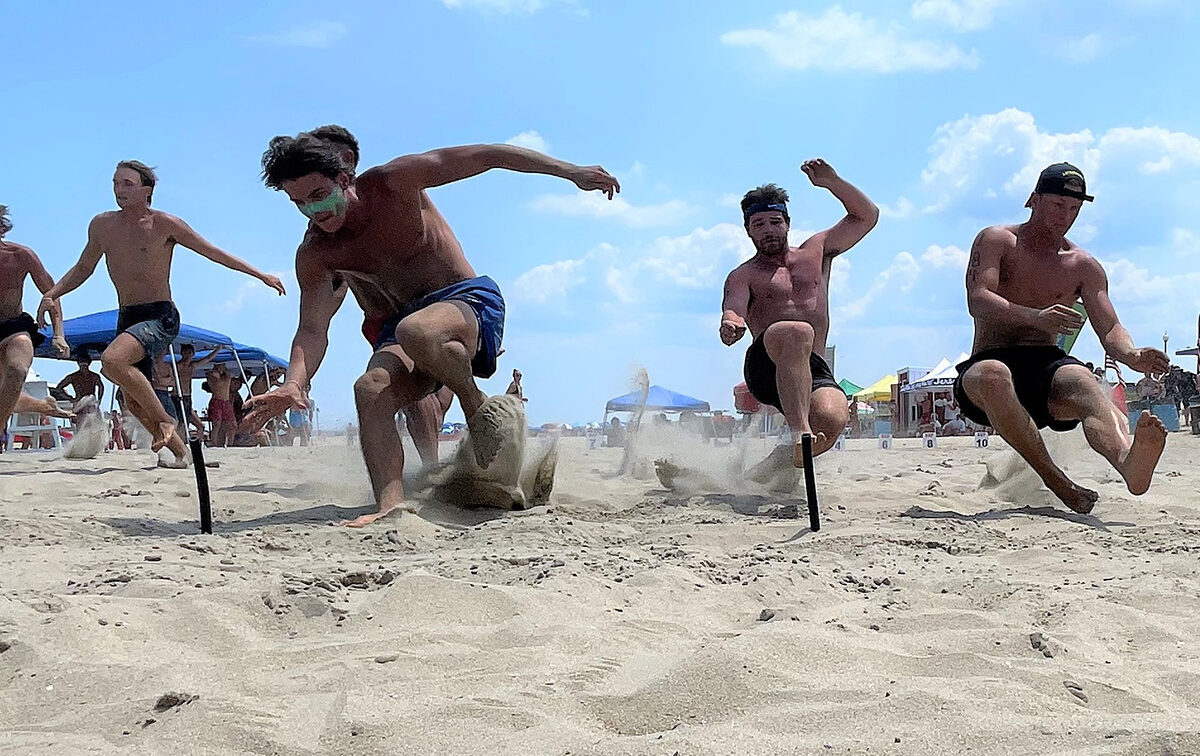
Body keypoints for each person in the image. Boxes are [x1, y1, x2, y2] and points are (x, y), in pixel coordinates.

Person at [246, 129, 619, 526]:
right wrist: (293, 383)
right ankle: (391, 505)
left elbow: (486, 155)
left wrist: (569, 171)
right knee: (370, 389)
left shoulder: (394, 182)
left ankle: (478, 411)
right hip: (402, 326)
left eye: (318, 194)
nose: (312, 209)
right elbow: (312, 328)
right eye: (298, 202)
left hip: (467, 302)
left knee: (417, 330)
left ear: (344, 178)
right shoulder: (316, 252)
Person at [953, 163, 1168, 514]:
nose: (1065, 216)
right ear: (1033, 200)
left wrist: (1132, 354)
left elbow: (1110, 327)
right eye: (1057, 205)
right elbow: (978, 299)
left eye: (1074, 209)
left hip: (1046, 366)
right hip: (989, 362)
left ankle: (1129, 461)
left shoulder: (1083, 265)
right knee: (993, 376)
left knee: (1085, 381)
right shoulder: (998, 240)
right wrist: (1036, 316)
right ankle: (1057, 481)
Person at [37, 161, 284, 466]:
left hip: (160, 316)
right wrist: (53, 293)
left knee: (113, 362)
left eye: (127, 184)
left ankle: (166, 419)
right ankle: (182, 455)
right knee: (132, 401)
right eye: (115, 183)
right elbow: (83, 268)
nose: (119, 190)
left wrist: (260, 275)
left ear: (146, 190)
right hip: (128, 316)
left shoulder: (165, 224)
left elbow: (213, 252)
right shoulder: (102, 225)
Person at [720, 160, 879, 467]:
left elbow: (866, 217)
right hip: (766, 365)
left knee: (832, 418)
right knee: (796, 331)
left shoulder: (815, 251)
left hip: (814, 366)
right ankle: (799, 432)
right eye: (759, 224)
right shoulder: (744, 275)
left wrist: (832, 182)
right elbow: (733, 308)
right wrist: (732, 323)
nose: (768, 230)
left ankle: (768, 472)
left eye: (774, 222)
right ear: (748, 231)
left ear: (787, 223)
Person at [0, 204, 69, 436]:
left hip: (13, 326)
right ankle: (42, 405)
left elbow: (51, 292)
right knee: (4, 392)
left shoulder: (20, 256)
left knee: (18, 370)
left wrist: (59, 334)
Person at [205, 364, 237, 447]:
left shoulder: (227, 376)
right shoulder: (212, 375)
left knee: (233, 425)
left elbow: (231, 375)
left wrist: (224, 370)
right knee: (217, 424)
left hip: (226, 402)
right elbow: (213, 376)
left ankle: (230, 444)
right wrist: (217, 370)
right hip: (217, 401)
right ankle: (214, 443)